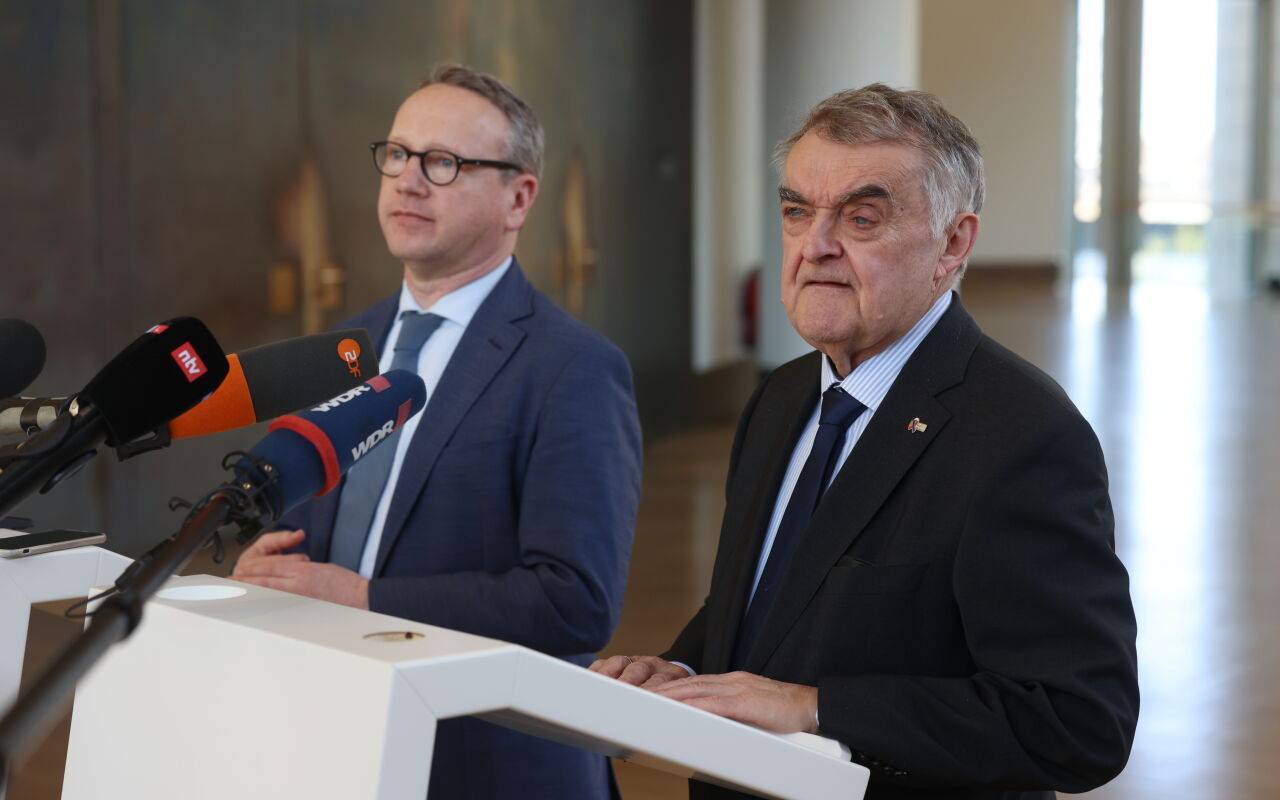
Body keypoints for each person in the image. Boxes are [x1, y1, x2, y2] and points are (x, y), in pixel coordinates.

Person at [592, 84, 1138, 800]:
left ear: (953, 244)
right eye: (797, 212)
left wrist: (815, 707)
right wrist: (684, 671)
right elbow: (775, 606)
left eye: (861, 218)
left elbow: (1077, 721)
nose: (815, 246)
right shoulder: (782, 397)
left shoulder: (1023, 436)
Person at [232, 64, 642, 799]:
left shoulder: (574, 367)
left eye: (444, 162)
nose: (409, 181)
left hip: (490, 765)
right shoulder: (342, 350)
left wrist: (364, 599)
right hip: (339, 742)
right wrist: (273, 569)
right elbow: (320, 542)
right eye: (396, 154)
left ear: (519, 197)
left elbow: (573, 601)